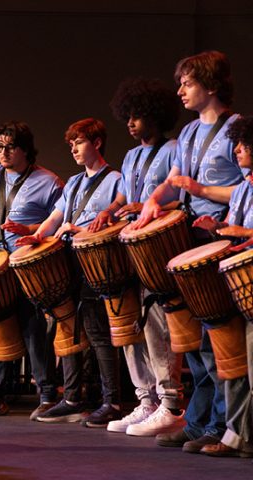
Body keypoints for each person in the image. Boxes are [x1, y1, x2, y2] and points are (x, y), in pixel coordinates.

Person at [134, 51, 243, 454]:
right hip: (190, 240)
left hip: (224, 240)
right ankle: (198, 422)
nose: (180, 90)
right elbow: (173, 184)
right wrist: (153, 202)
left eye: (188, 82)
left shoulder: (237, 130)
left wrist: (200, 191)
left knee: (218, 339)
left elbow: (245, 188)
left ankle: (219, 424)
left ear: (211, 86)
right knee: (193, 340)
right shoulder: (190, 134)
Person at [88, 77, 186, 436]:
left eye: (136, 115)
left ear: (156, 115)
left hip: (157, 250)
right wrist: (113, 209)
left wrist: (149, 208)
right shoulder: (130, 156)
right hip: (129, 247)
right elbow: (126, 196)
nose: (129, 122)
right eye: (126, 115)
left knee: (158, 326)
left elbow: (179, 199)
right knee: (130, 325)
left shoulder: (175, 149)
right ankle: (145, 400)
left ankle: (170, 402)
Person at [16, 118, 123, 428]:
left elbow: (120, 217)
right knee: (69, 332)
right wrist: (38, 236)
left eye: (79, 142)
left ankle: (111, 401)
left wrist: (84, 228)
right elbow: (55, 217)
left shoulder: (116, 179)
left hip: (98, 264)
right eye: (71, 143)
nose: (74, 148)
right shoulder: (74, 182)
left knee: (98, 333)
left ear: (97, 142)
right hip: (68, 263)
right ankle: (73, 399)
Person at [0, 121, 63, 418]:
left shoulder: (49, 181)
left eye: (10, 147)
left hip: (25, 264)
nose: (3, 152)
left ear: (25, 150)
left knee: (33, 328)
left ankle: (46, 393)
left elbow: (57, 224)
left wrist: (30, 228)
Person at [191, 115, 253, 457]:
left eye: (244, 144)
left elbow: (243, 232)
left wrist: (242, 234)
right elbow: (233, 227)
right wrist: (217, 227)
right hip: (237, 286)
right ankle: (235, 432)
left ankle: (241, 435)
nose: (238, 150)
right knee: (229, 361)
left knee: (250, 365)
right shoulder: (242, 188)